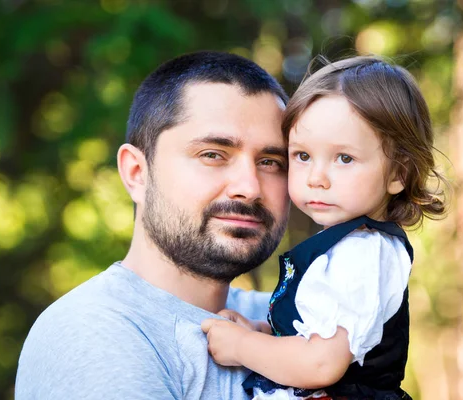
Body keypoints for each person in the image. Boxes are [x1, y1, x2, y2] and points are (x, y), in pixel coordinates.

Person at [15, 51, 292, 399]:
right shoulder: (94, 333)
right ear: (137, 173)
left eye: (271, 161)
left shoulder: (291, 318)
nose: (249, 187)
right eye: (212, 154)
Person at [201, 56, 449, 399]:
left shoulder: (363, 253)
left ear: (398, 174)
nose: (316, 178)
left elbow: (321, 364)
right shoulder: (343, 244)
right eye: (302, 156)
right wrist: (261, 332)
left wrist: (243, 346)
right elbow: (315, 341)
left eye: (344, 158)